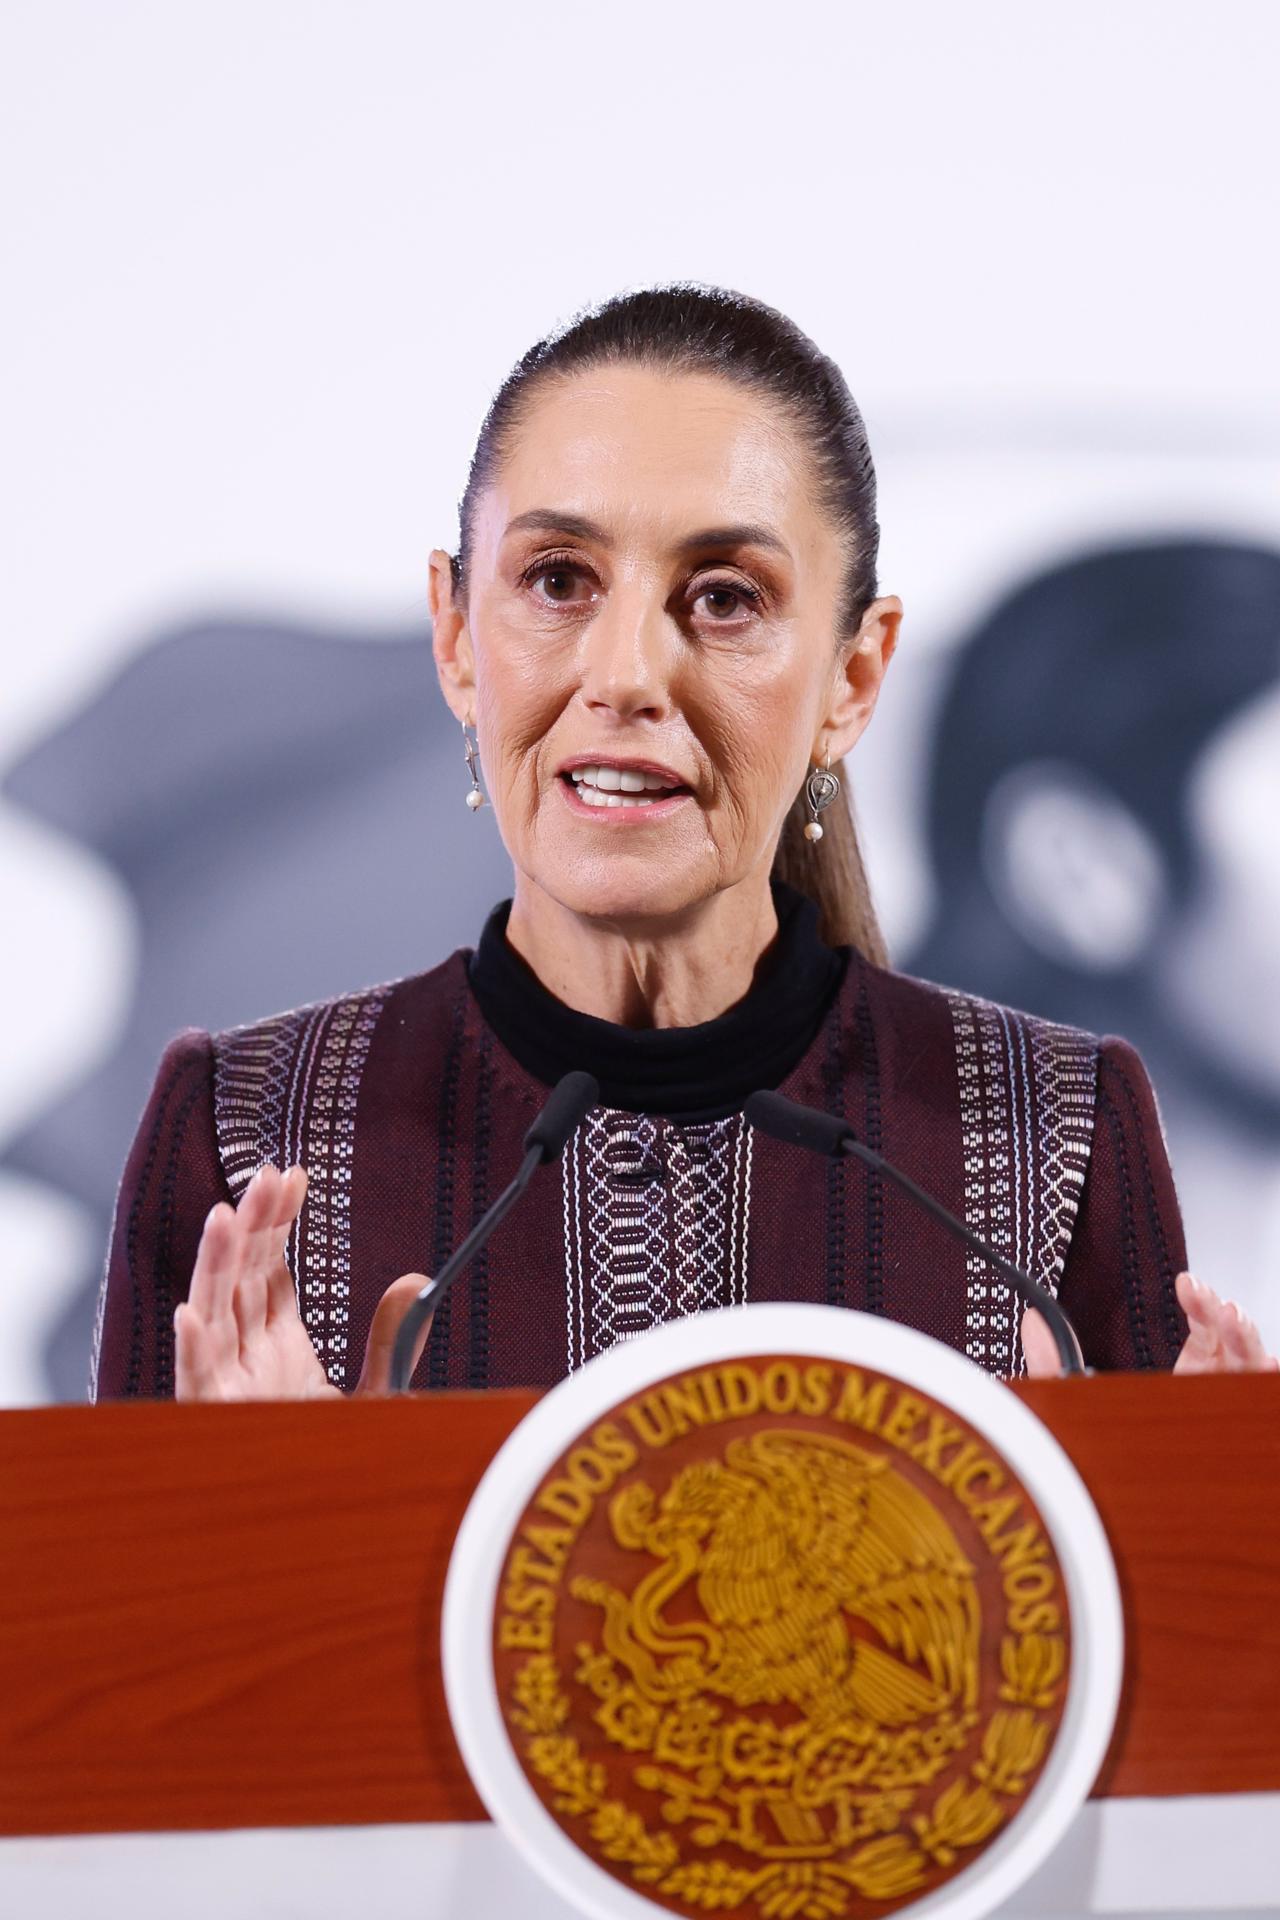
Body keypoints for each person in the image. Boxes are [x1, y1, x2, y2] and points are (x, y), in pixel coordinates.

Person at [89, 284, 1276, 1403]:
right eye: (557, 580)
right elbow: (117, 1619)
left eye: (723, 598)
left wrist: (1197, 1525)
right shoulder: (250, 1132)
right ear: (455, 638)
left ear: (851, 678)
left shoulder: (1050, 1129)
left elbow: (1162, 1615)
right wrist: (271, 1517)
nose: (623, 676)